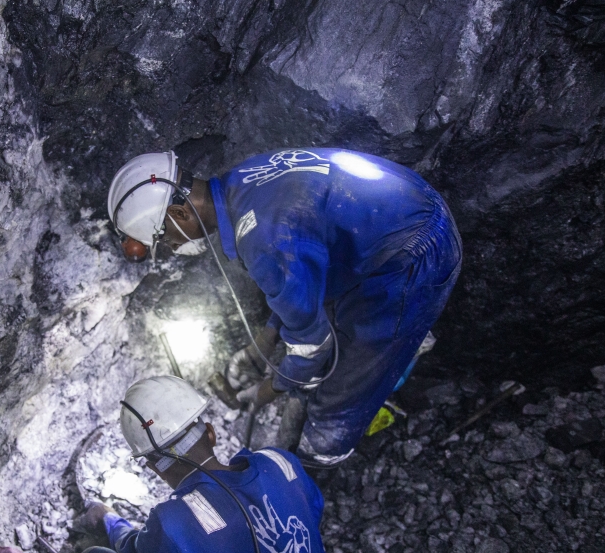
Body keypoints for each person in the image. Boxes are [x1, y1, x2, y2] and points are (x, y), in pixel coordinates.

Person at [107, 149, 462, 464]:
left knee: (340, 392)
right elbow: (302, 269)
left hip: (413, 254)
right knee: (332, 327)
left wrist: (269, 390)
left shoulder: (261, 238)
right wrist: (266, 337)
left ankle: (320, 457)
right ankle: (404, 336)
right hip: (402, 212)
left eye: (165, 240)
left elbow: (314, 344)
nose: (171, 247)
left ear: (180, 212)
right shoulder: (243, 181)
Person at [74, 375, 344, 553]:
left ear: (155, 469)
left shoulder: (175, 523)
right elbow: (310, 513)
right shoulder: (280, 463)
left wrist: (109, 519)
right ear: (212, 433)